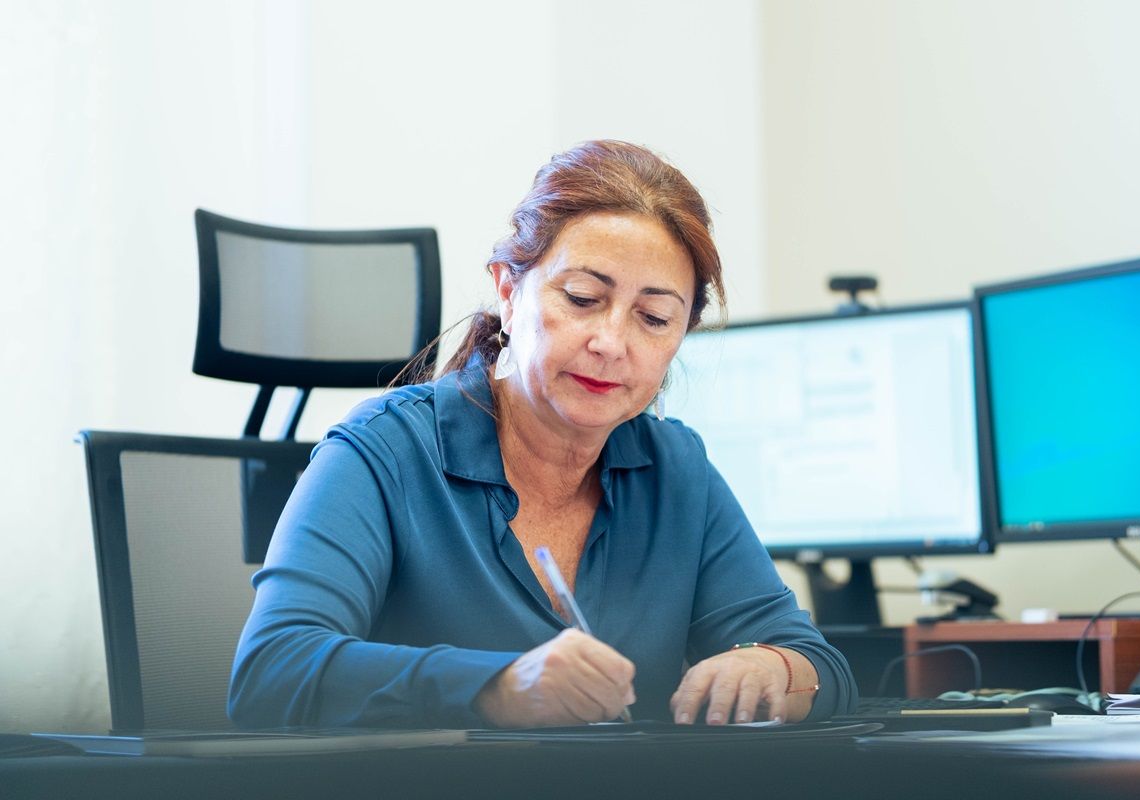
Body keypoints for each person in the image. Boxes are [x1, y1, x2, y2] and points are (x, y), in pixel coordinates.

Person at [228, 140, 857, 729]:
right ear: (509, 289)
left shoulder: (675, 469)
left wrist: (772, 668)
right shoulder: (386, 450)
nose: (612, 343)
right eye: (582, 298)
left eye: (655, 317)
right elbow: (270, 673)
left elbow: (819, 665)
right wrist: (496, 685)